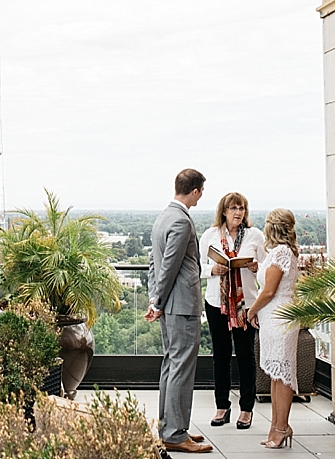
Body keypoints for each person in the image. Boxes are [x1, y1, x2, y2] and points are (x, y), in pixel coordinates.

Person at [145, 168, 213, 454]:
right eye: (201, 191)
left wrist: (154, 301)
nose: (201, 196)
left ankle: (170, 427)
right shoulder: (182, 221)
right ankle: (174, 434)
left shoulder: (163, 217)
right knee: (181, 369)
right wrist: (158, 303)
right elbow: (170, 266)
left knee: (171, 365)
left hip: (168, 305)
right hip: (181, 307)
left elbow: (154, 264)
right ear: (195, 190)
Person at [199, 192, 265, 429]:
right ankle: (222, 406)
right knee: (220, 356)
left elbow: (267, 272)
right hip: (217, 302)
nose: (238, 212)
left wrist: (256, 267)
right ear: (224, 211)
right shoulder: (210, 235)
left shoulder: (255, 236)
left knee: (246, 356)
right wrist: (212, 271)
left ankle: (246, 409)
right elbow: (197, 267)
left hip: (245, 304)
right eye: (233, 208)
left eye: (242, 208)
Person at [246, 208, 301, 450]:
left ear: (272, 227)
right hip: (273, 320)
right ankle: (276, 426)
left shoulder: (280, 252)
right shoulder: (280, 252)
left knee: (283, 373)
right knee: (275, 374)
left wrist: (251, 310)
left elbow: (269, 292)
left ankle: (282, 427)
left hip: (280, 319)